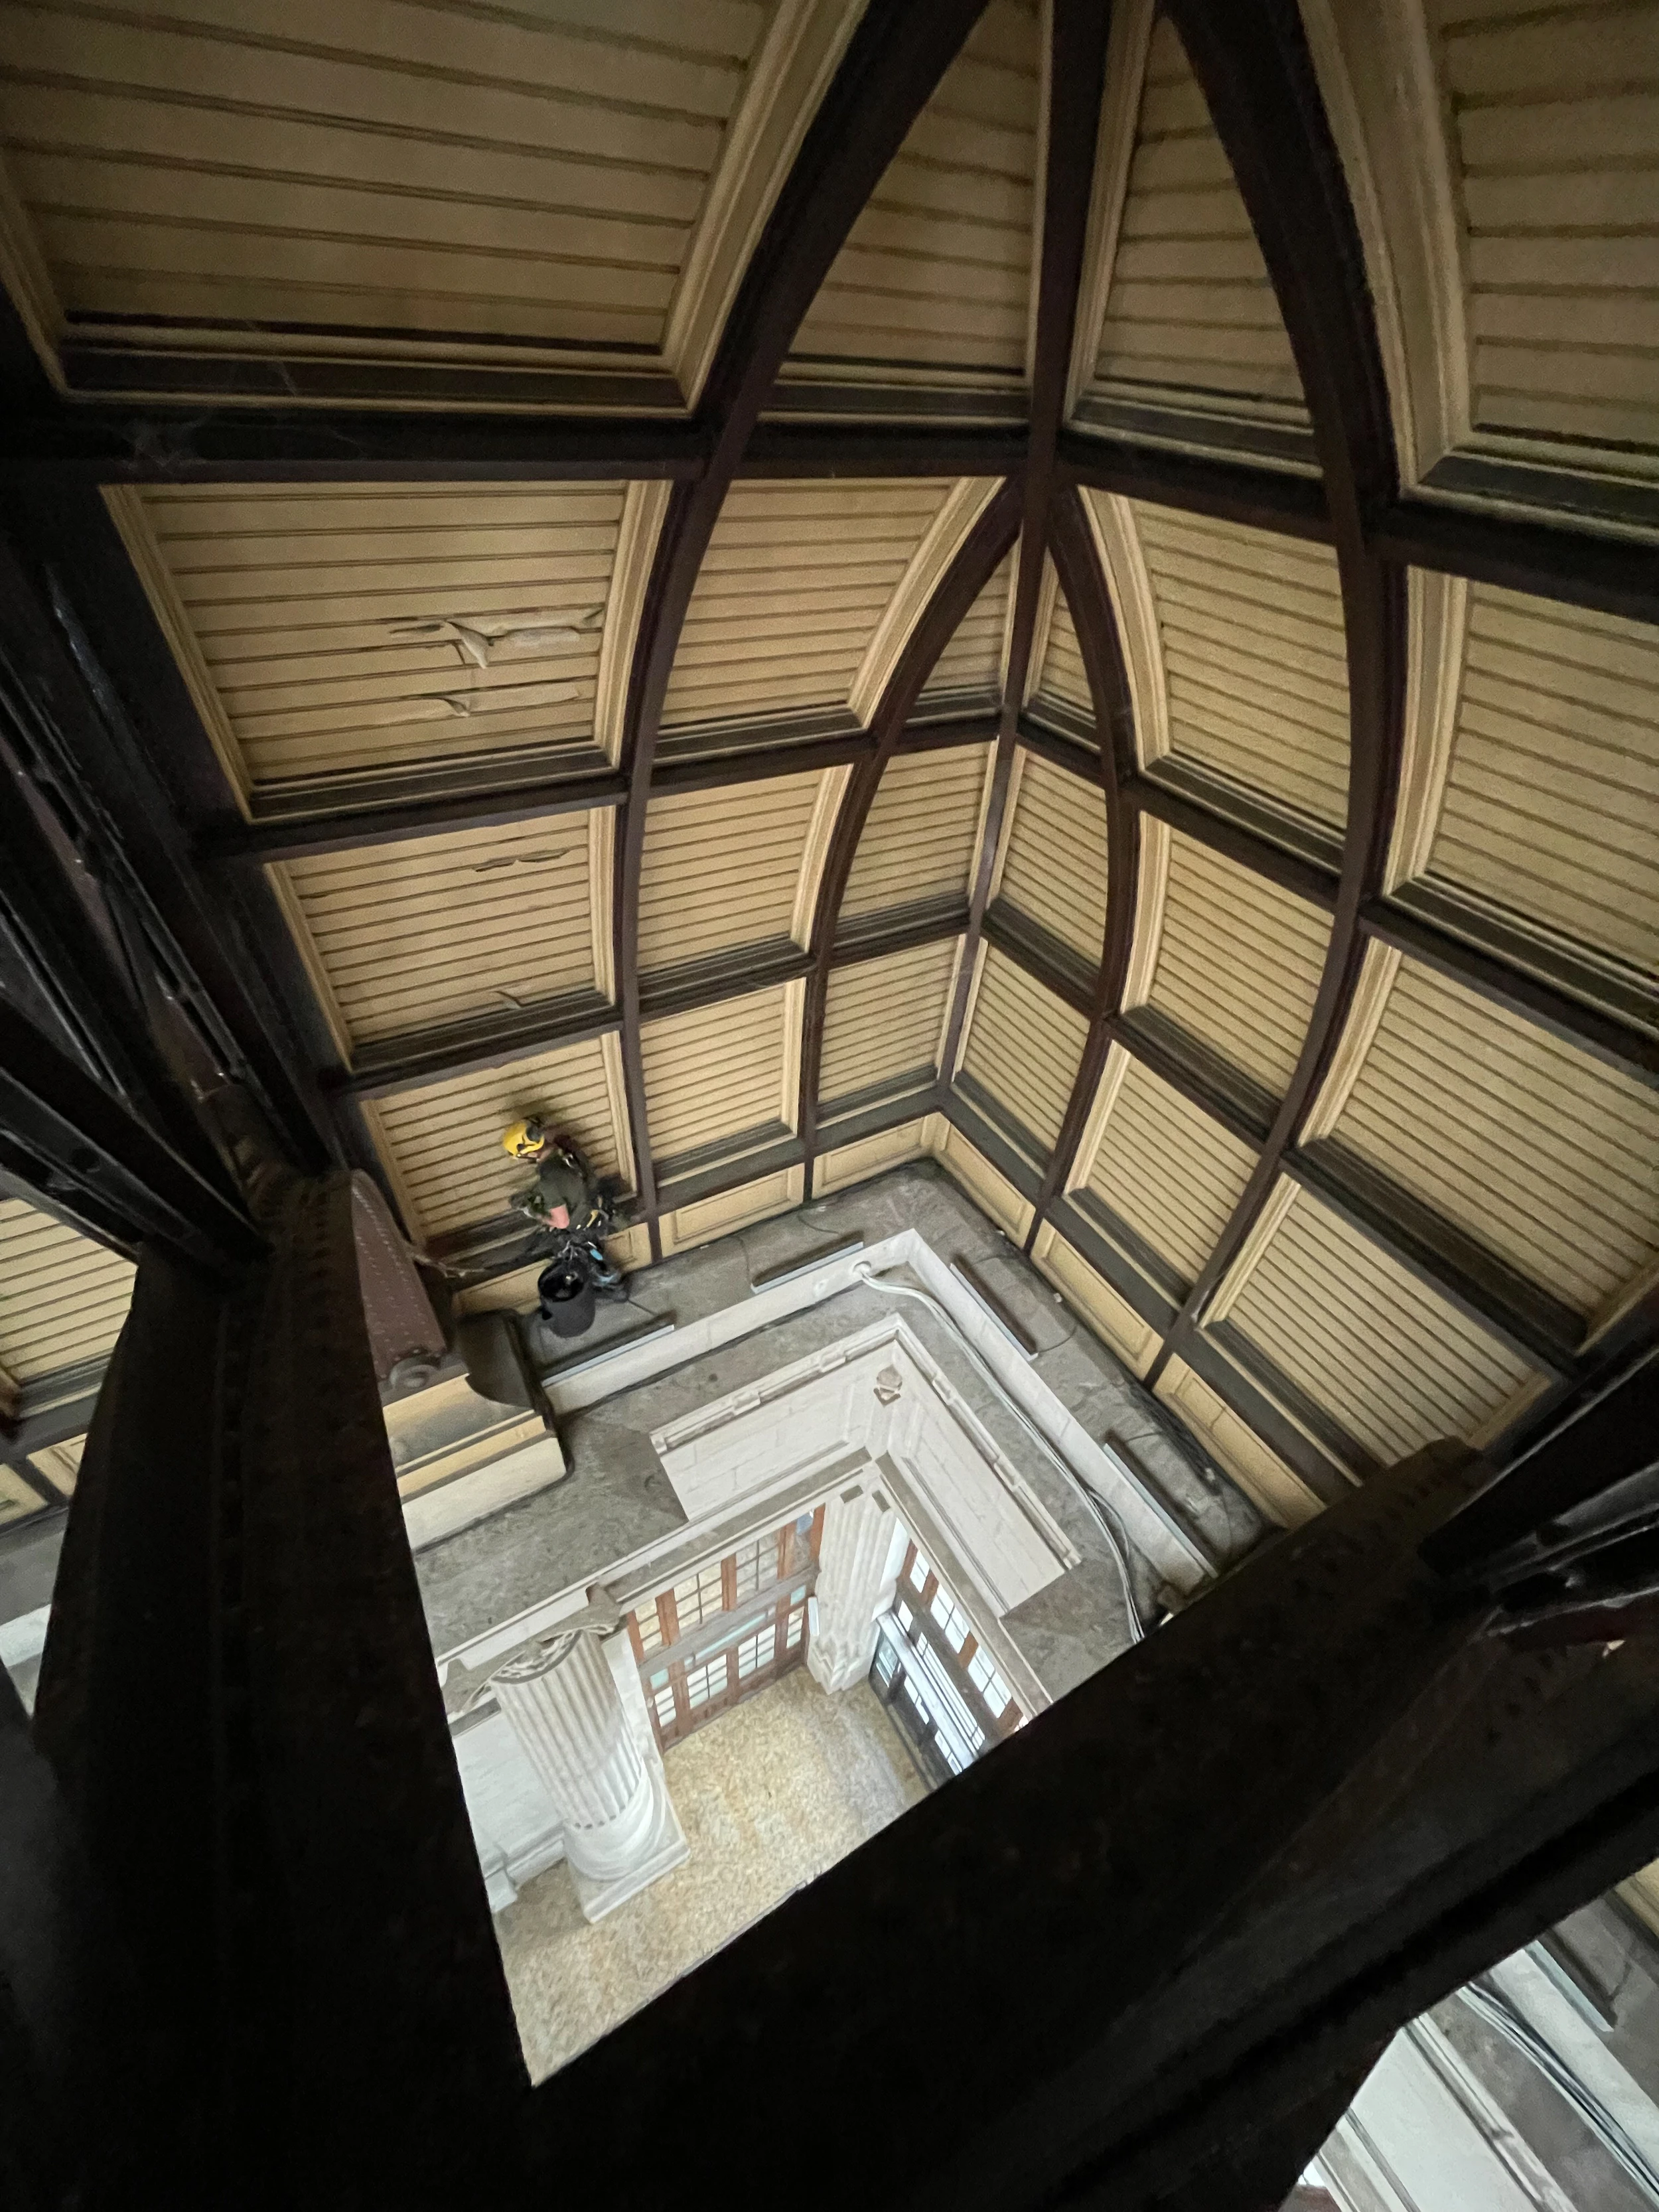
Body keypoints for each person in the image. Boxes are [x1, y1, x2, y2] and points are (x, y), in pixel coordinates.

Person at [499, 1118, 626, 1311]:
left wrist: (533, 1212)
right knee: (589, 1247)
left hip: (583, 1224)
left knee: (592, 1254)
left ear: (531, 1153)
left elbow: (562, 1221)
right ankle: (607, 1277)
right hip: (596, 1201)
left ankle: (615, 1285)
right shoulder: (565, 1148)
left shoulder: (548, 1181)